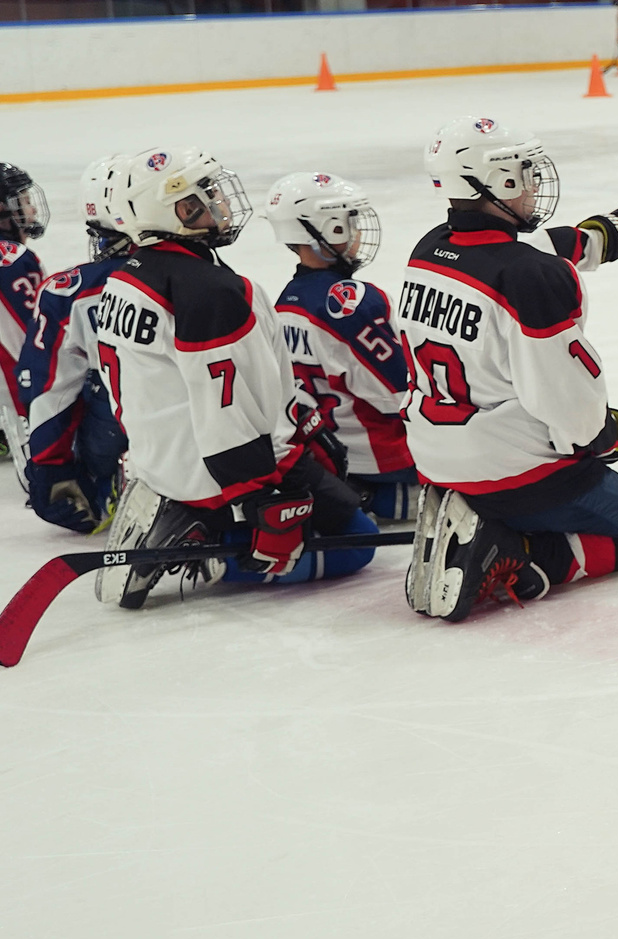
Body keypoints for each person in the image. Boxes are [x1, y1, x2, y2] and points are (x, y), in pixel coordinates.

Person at [396, 117, 618, 621]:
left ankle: (481, 518)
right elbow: (563, 396)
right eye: (526, 173)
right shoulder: (532, 277)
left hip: (434, 455)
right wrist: (600, 436)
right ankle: (511, 551)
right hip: (507, 469)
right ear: (500, 181)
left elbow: (528, 252)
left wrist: (605, 236)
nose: (535, 184)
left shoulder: (431, 246)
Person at [85, 148, 379, 609]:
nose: (220, 203)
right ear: (176, 211)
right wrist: (267, 497)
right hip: (213, 471)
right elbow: (228, 413)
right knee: (359, 540)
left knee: (332, 484)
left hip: (155, 459)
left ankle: (183, 511)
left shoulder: (123, 278)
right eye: (205, 197)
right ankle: (210, 555)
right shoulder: (213, 292)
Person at [262, 173, 419, 521]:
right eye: (350, 221)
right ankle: (388, 500)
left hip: (330, 452)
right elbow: (401, 395)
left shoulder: (283, 305)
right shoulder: (354, 303)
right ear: (328, 229)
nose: (358, 232)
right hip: (385, 457)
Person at [14, 156, 132, 533]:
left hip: (114, 441)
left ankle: (108, 483)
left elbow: (48, 382)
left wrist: (49, 465)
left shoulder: (74, 290)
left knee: (99, 381)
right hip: (222, 457)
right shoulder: (223, 281)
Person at [1, 160, 50, 479]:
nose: (30, 207)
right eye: (22, 200)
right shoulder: (14, 260)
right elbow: (31, 344)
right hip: (15, 414)